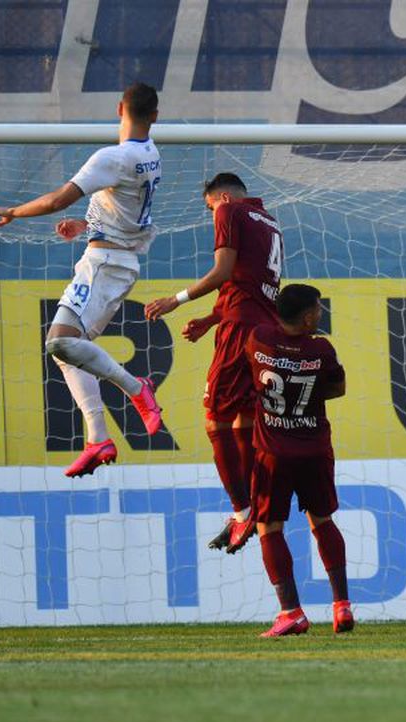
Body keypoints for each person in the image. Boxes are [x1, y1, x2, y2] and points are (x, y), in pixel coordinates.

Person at [0, 82, 164, 477]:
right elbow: (129, 213)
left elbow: (59, 198)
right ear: (155, 117)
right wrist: (87, 224)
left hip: (106, 264)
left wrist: (12, 210)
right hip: (113, 257)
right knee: (66, 350)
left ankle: (135, 388)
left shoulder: (114, 157)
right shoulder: (150, 155)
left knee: (60, 341)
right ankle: (98, 437)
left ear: (118, 109)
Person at [145, 173, 283, 550]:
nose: (211, 216)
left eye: (209, 208)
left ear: (220, 197)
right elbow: (245, 284)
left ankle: (242, 513)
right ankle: (255, 503)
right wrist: (209, 320)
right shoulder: (269, 221)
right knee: (244, 419)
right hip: (263, 330)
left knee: (215, 420)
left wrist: (175, 300)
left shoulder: (228, 211)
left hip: (240, 332)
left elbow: (222, 271)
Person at [244, 284, 353, 637]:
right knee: (322, 521)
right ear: (307, 317)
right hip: (315, 448)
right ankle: (342, 606)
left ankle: (291, 612)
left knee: (269, 527)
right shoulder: (321, 349)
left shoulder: (258, 338)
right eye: (318, 309)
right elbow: (339, 389)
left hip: (273, 452)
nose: (320, 314)